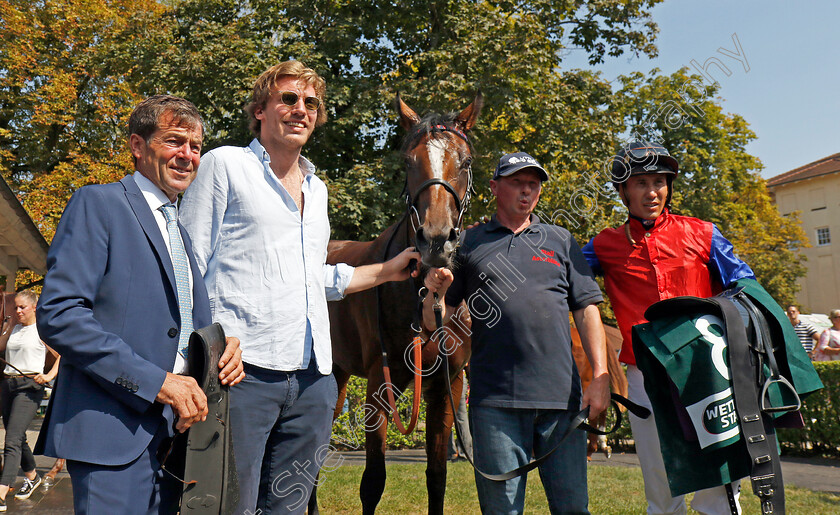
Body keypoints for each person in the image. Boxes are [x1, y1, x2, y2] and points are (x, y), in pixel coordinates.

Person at [179, 60, 419, 514]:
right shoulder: (225, 165)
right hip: (242, 374)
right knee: (229, 506)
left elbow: (316, 280)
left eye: (310, 103)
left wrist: (389, 270)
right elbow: (188, 265)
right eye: (288, 99)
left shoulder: (318, 188)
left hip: (313, 382)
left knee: (288, 507)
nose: (300, 109)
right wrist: (210, 341)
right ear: (260, 111)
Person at [35, 95, 245, 514]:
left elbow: (179, 324)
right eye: (174, 141)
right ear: (137, 145)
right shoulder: (99, 204)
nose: (187, 155)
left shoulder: (179, 231)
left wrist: (221, 350)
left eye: (196, 146)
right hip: (111, 435)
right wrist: (158, 383)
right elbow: (60, 315)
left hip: (177, 441)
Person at [422, 152, 610, 514]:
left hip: (562, 403)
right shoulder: (469, 242)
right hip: (495, 406)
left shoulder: (561, 240)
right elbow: (433, 323)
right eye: (516, 182)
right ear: (494, 187)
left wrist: (600, 375)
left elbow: (587, 309)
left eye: (533, 184)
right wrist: (435, 291)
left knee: (573, 509)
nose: (527, 191)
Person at [582, 139, 755, 515]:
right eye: (641, 183)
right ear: (624, 190)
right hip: (645, 377)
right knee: (660, 484)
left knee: (720, 479)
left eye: (659, 181)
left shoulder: (704, 233)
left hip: (708, 371)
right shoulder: (604, 244)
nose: (651, 191)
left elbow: (745, 286)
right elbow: (561, 279)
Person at [0, 290, 60, 510]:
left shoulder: (42, 330)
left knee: (12, 440)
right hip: (8, 385)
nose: (17, 312)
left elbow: (63, 355)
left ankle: (2, 491)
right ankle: (32, 476)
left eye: (22, 307)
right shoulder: (14, 329)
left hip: (29, 387)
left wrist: (49, 375)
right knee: (17, 437)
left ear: (34, 307)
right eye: (15, 307)